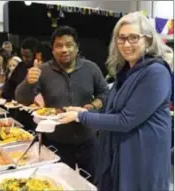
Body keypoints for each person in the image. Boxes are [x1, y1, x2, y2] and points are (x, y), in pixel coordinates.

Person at [58, 12, 172, 191]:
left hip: (142, 156)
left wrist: (81, 116)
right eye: (122, 38)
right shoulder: (126, 71)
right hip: (121, 151)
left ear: (148, 40)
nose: (126, 44)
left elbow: (125, 120)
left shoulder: (156, 73)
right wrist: (83, 111)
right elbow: (110, 113)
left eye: (134, 38)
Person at [15, 26, 109, 186]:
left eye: (69, 44)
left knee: (95, 183)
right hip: (56, 142)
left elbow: (105, 94)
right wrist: (27, 82)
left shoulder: (91, 68)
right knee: (59, 185)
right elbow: (21, 99)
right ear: (52, 50)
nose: (64, 49)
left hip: (89, 140)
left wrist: (92, 106)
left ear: (77, 47)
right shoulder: (43, 70)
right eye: (59, 45)